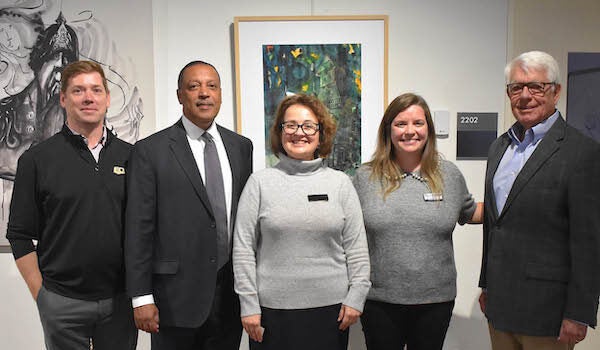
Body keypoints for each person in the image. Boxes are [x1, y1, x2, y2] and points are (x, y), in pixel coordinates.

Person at [5, 60, 137, 350]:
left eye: (96, 90)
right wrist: (43, 296)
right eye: (78, 90)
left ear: (107, 98)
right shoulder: (37, 160)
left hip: (121, 303)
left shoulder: (134, 158)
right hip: (62, 303)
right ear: (63, 98)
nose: (88, 98)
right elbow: (19, 235)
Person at [125, 60, 253, 350]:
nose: (204, 93)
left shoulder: (241, 147)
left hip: (230, 295)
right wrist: (141, 297)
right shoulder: (151, 150)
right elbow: (138, 227)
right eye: (193, 86)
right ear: (180, 95)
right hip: (174, 298)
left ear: (220, 93)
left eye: (211, 86)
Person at [479, 50, 600, 350]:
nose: (525, 96)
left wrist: (579, 313)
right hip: (500, 307)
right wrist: (486, 285)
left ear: (556, 91)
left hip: (549, 315)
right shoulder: (498, 148)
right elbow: (494, 227)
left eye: (536, 87)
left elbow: (588, 242)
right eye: (516, 87)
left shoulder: (581, 152)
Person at [233, 94, 371, 350]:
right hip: (272, 312)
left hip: (332, 312)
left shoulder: (340, 183)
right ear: (280, 131)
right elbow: (243, 249)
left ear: (321, 133)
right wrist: (248, 303)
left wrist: (357, 297)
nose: (299, 133)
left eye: (308, 126)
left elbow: (357, 248)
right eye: (291, 125)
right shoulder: (259, 183)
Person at [352, 92, 483, 350]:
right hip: (380, 301)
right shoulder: (365, 177)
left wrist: (519, 206)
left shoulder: (449, 175)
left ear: (428, 129)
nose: (410, 131)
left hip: (435, 302)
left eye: (418, 123)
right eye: (401, 124)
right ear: (388, 130)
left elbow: (471, 212)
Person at [0, 12, 78, 180]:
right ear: (38, 65)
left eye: (67, 71)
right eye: (55, 69)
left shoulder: (77, 121)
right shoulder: (4, 115)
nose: (59, 79)